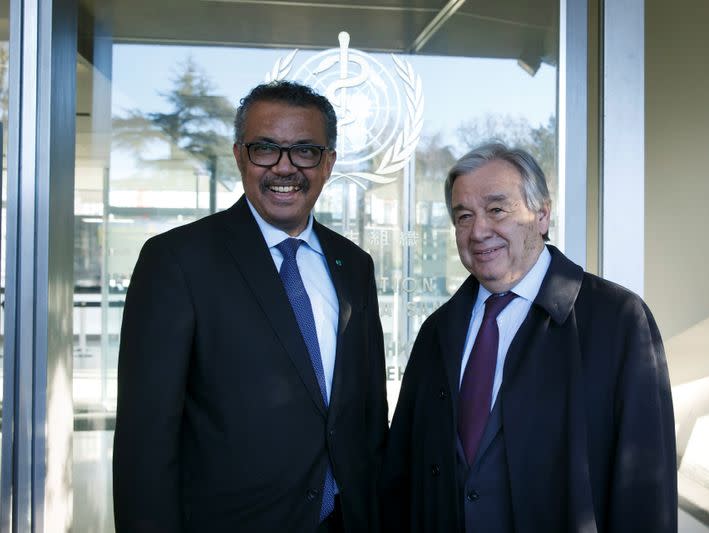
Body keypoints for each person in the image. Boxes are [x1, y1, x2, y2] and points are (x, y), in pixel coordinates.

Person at [113, 81, 388, 533]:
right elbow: (145, 443)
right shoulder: (178, 261)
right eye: (266, 148)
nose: (285, 168)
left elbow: (368, 416)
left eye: (305, 151)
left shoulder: (354, 265)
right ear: (240, 155)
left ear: (329, 163)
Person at [380, 142, 677, 532]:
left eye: (497, 210)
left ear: (542, 214)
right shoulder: (437, 331)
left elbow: (646, 489)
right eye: (464, 216)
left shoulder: (617, 321)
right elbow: (403, 474)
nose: (478, 231)